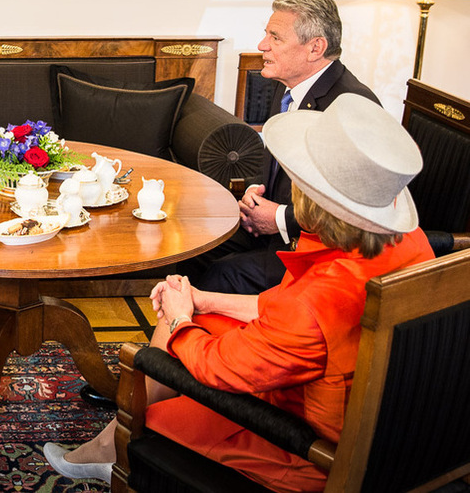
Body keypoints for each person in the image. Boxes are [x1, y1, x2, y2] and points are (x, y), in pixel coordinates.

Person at [43, 93, 434, 492]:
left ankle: (123, 445)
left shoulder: (311, 303)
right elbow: (288, 311)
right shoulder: (410, 243)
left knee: (158, 361)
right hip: (391, 426)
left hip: (304, 452)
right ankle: (111, 442)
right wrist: (199, 300)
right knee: (196, 311)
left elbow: (217, 366)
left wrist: (179, 319)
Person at [179, 0, 380, 295]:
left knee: (224, 274)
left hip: (318, 251)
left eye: (275, 38)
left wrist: (277, 217)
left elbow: (354, 209)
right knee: (190, 243)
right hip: (274, 230)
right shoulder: (288, 86)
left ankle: (220, 338)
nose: (262, 46)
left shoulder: (351, 107)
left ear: (315, 48)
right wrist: (252, 193)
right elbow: (270, 161)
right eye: (266, 35)